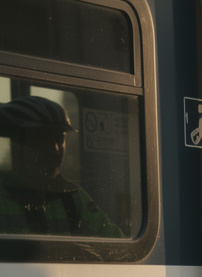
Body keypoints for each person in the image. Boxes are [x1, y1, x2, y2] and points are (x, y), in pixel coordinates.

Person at [0, 95, 121, 237]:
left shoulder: (72, 197)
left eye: (60, 138)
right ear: (17, 145)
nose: (55, 148)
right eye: (42, 138)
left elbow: (114, 240)